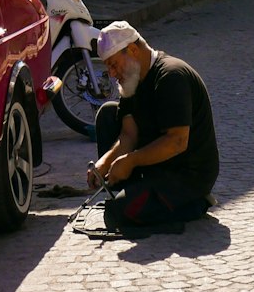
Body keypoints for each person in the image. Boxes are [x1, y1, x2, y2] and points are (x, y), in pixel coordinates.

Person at [87, 20, 219, 231]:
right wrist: (103, 164)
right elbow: (129, 135)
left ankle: (195, 203)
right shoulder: (132, 77)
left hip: (186, 176)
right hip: (155, 169)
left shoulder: (171, 76)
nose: (111, 73)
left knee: (118, 214)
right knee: (108, 114)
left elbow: (177, 142)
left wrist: (131, 161)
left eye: (113, 64)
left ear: (132, 50)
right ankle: (135, 192)